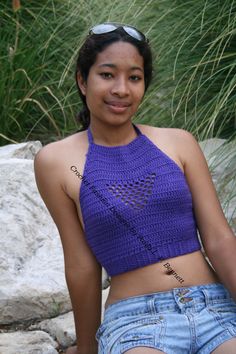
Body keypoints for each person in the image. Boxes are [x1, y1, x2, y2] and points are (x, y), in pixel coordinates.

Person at [34, 22, 236, 354]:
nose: (122, 89)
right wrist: (87, 348)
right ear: (82, 81)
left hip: (213, 307)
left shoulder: (179, 143)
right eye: (107, 75)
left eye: (135, 77)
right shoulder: (54, 161)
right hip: (135, 323)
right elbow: (82, 264)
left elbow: (219, 239)